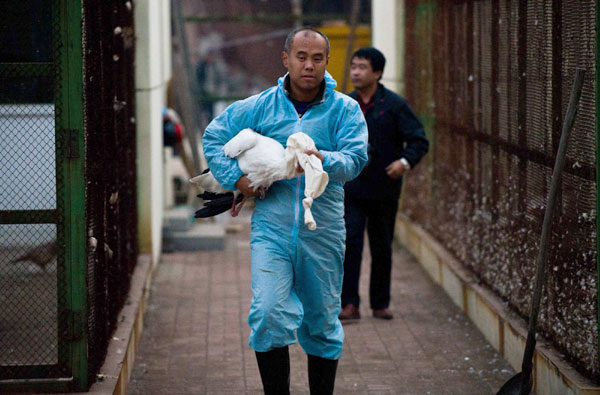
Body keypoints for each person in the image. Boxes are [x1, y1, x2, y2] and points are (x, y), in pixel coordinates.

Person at [202, 28, 368, 394]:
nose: (309, 65)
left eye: (318, 58)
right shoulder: (261, 106)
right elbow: (214, 136)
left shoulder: (345, 110)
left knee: (322, 322)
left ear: (327, 62)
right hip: (272, 230)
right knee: (268, 314)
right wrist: (237, 180)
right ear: (286, 59)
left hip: (322, 230)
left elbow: (355, 160)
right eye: (301, 57)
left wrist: (322, 160)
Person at [339, 47, 429, 321]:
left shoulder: (395, 105)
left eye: (362, 67)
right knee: (350, 244)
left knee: (381, 246)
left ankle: (380, 303)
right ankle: (349, 304)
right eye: (353, 66)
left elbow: (418, 140)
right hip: (351, 188)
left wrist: (404, 163)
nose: (355, 72)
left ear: (377, 73)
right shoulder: (345, 104)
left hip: (384, 189)